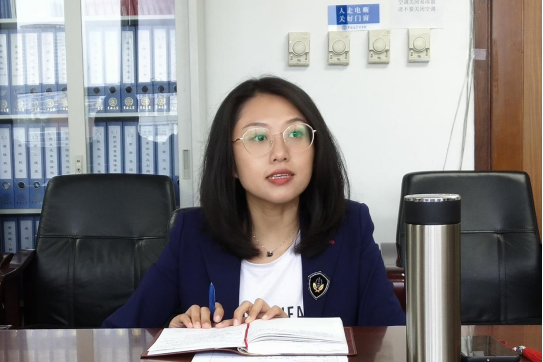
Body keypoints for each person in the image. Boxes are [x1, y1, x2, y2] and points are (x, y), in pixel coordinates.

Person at [102, 76, 405, 329]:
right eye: (258, 138)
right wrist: (172, 334)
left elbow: (391, 343)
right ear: (230, 162)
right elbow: (117, 335)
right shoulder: (192, 234)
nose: (280, 153)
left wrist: (294, 337)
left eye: (295, 133)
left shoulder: (351, 227)